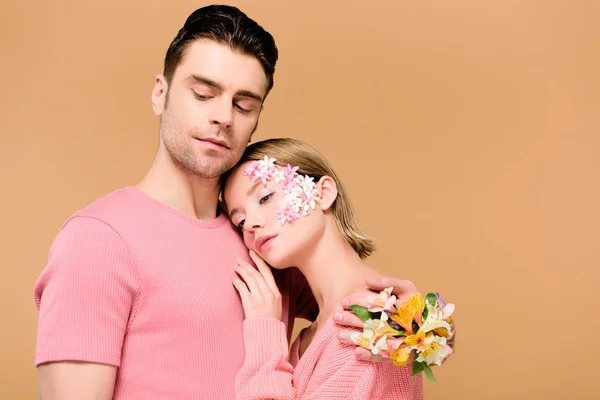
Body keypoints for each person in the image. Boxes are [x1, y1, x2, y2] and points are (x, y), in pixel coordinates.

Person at [33, 4, 426, 400]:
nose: (223, 116)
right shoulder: (97, 241)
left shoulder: (268, 245)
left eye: (243, 104)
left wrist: (424, 326)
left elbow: (353, 327)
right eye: (203, 93)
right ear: (160, 93)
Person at [222, 138, 424, 399]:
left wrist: (265, 335)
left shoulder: (369, 323)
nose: (251, 224)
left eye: (265, 197)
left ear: (323, 193)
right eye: (240, 220)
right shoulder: (318, 331)